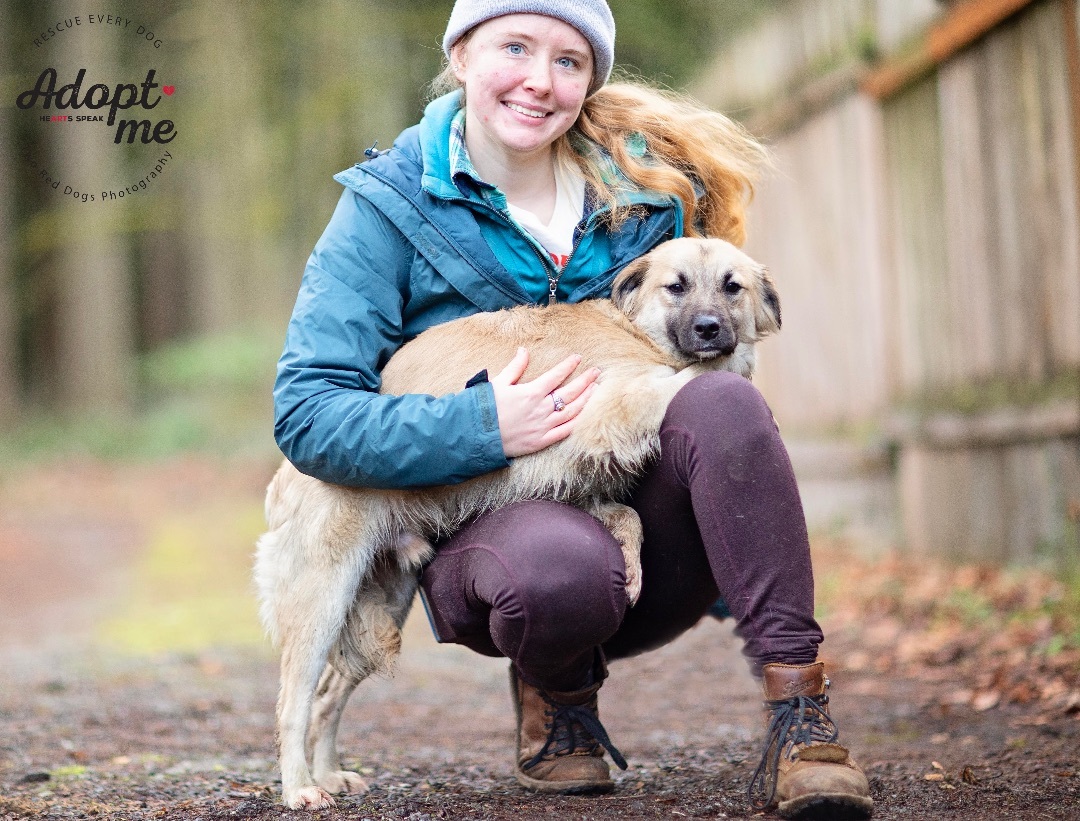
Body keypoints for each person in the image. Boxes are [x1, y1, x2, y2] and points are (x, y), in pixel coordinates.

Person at [273, 1, 874, 817]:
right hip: (480, 524)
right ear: (460, 54)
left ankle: (801, 716)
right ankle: (557, 698)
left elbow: (711, 371)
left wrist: (739, 547)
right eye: (514, 46)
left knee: (721, 395)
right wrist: (483, 425)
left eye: (568, 60)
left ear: (592, 78)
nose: (539, 80)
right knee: (557, 568)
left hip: (630, 512)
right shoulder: (386, 207)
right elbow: (309, 414)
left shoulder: (647, 199)